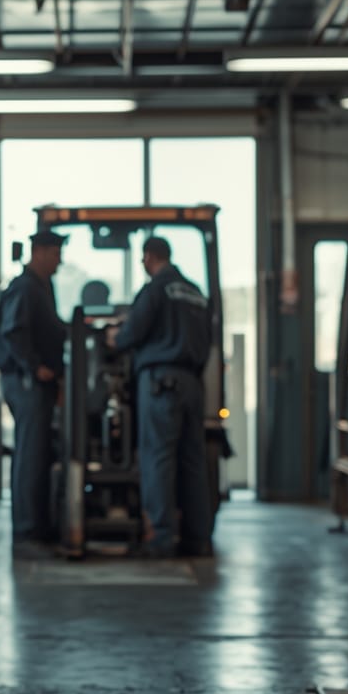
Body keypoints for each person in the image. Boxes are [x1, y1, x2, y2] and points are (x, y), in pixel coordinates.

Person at [106, 236, 213, 558]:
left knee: (158, 458)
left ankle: (161, 540)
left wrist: (115, 338)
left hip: (161, 383)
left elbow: (132, 333)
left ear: (150, 256)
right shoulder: (195, 292)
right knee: (193, 462)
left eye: (143, 258)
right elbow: (208, 338)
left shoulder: (155, 290)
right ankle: (198, 539)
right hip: (193, 383)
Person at [0, 229, 68, 548]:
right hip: (26, 381)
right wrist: (34, 366)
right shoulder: (25, 287)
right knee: (30, 454)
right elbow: (13, 331)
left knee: (38, 453)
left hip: (36, 381)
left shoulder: (41, 287)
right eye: (55, 254)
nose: (59, 262)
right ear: (38, 252)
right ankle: (27, 528)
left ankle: (37, 523)